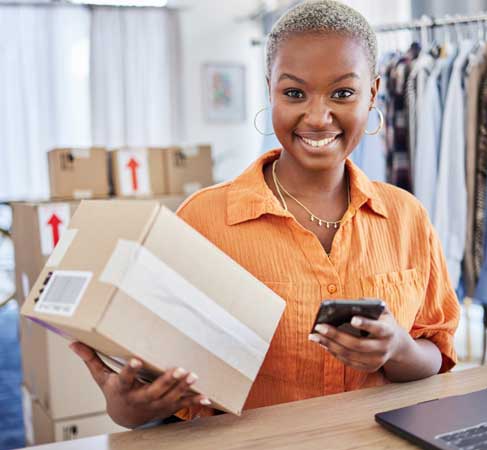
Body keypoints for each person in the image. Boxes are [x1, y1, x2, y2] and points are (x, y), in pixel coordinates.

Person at [70, 0, 460, 429]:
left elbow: (435, 354)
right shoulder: (204, 221)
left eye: (343, 93)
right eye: (294, 93)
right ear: (269, 89)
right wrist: (129, 406)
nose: (317, 117)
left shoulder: (408, 217)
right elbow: (155, 395)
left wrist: (396, 350)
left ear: (372, 93)